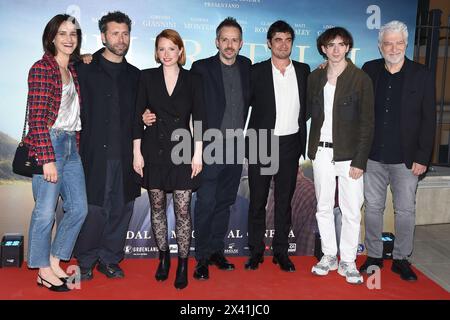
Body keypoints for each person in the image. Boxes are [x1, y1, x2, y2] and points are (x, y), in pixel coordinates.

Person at [359, 20, 436, 281]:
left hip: (407, 160)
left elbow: (428, 119)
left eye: (399, 42)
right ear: (380, 46)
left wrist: (422, 157)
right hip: (373, 156)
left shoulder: (422, 74)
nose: (393, 47)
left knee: (405, 210)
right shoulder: (369, 70)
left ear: (406, 45)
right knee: (372, 208)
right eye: (388, 43)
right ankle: (374, 256)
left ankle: (402, 259)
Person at [133, 29, 205, 289]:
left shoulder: (193, 80)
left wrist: (198, 154)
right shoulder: (146, 77)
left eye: (171, 49)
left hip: (184, 151)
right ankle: (163, 258)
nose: (166, 54)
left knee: (184, 210)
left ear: (181, 51)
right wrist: (136, 152)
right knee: (157, 208)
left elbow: (199, 119)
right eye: (161, 49)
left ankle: (183, 263)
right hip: (153, 150)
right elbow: (136, 116)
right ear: (156, 52)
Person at [74, 11, 142, 281]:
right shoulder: (83, 69)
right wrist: (80, 56)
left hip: (126, 156)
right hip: (92, 155)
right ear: (103, 36)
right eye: (115, 33)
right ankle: (86, 260)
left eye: (125, 33)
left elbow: (144, 111)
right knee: (93, 210)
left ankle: (110, 259)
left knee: (121, 209)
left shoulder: (136, 75)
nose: (121, 39)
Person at [24, 14, 87, 292]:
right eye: (62, 33)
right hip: (49, 143)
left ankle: (54, 259)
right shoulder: (41, 68)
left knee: (79, 209)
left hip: (72, 144)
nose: (68, 38)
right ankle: (42, 270)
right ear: (52, 37)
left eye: (73, 33)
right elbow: (36, 119)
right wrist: (47, 158)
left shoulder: (72, 70)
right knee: (45, 212)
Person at [307, 27, 374, 284]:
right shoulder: (316, 78)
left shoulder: (361, 79)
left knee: (351, 210)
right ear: (323, 49)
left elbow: (368, 124)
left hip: (349, 156)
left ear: (348, 47)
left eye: (341, 44)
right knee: (323, 206)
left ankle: (348, 260)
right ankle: (329, 256)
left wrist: (360, 160)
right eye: (330, 45)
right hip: (321, 152)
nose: (336, 49)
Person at [245, 20, 310, 272]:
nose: (283, 44)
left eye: (288, 40)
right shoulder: (256, 71)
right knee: (258, 201)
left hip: (290, 143)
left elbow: (309, 106)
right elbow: (241, 103)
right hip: (262, 141)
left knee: (285, 201)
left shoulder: (304, 71)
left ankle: (281, 252)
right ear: (269, 43)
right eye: (278, 40)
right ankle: (255, 251)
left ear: (292, 43)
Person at [189, 17, 251, 280]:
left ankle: (216, 251)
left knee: (224, 203)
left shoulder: (247, 66)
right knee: (206, 202)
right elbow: (185, 100)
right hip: (209, 146)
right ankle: (201, 256)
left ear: (241, 43)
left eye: (234, 40)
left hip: (236, 147)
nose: (229, 44)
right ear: (216, 41)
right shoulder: (200, 68)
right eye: (224, 39)